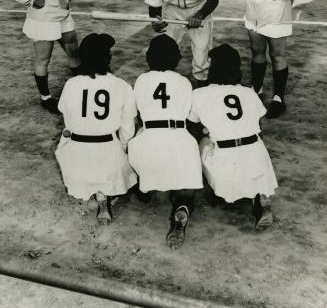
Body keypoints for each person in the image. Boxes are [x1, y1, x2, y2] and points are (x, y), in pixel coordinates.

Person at [188, 43, 278, 230]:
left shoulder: (199, 94)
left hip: (224, 162)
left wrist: (208, 132)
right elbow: (259, 129)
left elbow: (192, 129)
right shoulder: (249, 92)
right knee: (254, 141)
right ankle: (259, 194)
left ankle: (215, 186)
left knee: (200, 140)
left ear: (214, 69)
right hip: (256, 157)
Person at [128, 34, 203, 249]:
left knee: (138, 153)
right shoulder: (184, 82)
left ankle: (145, 188)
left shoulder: (141, 80)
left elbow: (138, 116)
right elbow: (190, 119)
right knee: (185, 189)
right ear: (177, 60)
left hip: (148, 142)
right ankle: (182, 209)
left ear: (149, 59)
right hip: (179, 140)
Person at [55, 33, 137, 224]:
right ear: (107, 57)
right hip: (108, 155)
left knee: (69, 136)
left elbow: (68, 120)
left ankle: (95, 189)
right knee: (125, 144)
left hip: (77, 158)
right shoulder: (121, 85)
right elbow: (127, 129)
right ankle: (103, 194)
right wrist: (123, 148)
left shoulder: (71, 84)